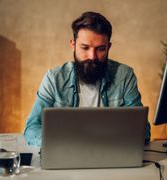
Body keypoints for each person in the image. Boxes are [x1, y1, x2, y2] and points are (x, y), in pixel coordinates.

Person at [24, 11, 151, 147]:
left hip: (111, 154)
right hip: (67, 154)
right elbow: (32, 128)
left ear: (109, 47)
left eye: (101, 49)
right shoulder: (54, 79)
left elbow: (143, 130)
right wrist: (61, 145)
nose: (92, 56)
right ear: (73, 44)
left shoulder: (124, 76)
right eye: (85, 47)